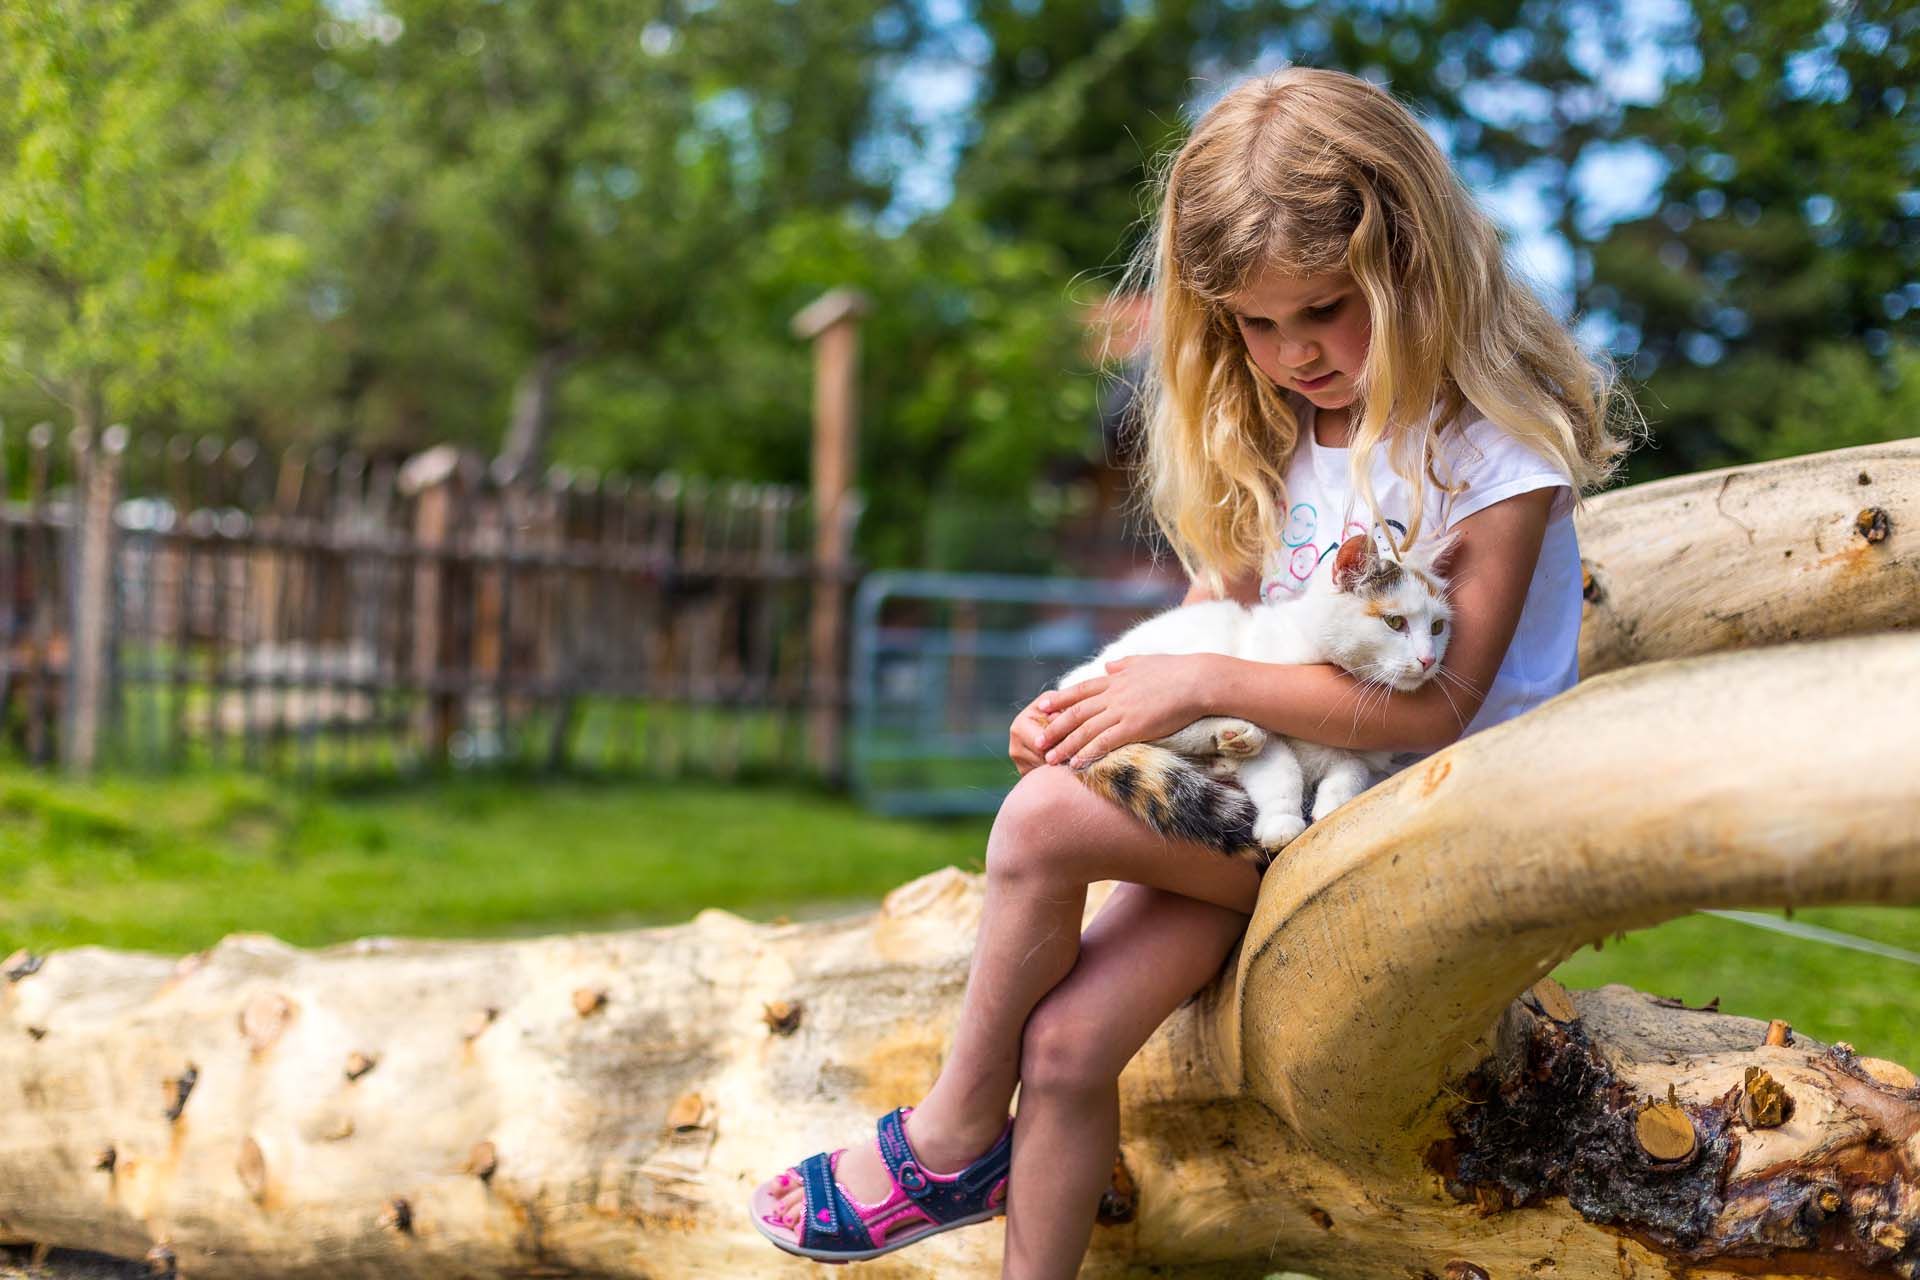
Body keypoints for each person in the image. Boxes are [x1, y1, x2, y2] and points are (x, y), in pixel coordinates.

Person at [748, 64, 1641, 1276]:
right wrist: (1101, 702)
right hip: (1282, 793)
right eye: (1257, 326)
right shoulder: (1285, 429)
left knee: (1043, 820)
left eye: (1324, 310)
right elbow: (1214, 620)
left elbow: (1437, 703)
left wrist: (1195, 695)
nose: (1293, 352)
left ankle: (951, 1133)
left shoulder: (1488, 453)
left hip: (1427, 826)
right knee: (1065, 1044)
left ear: (1415, 263)